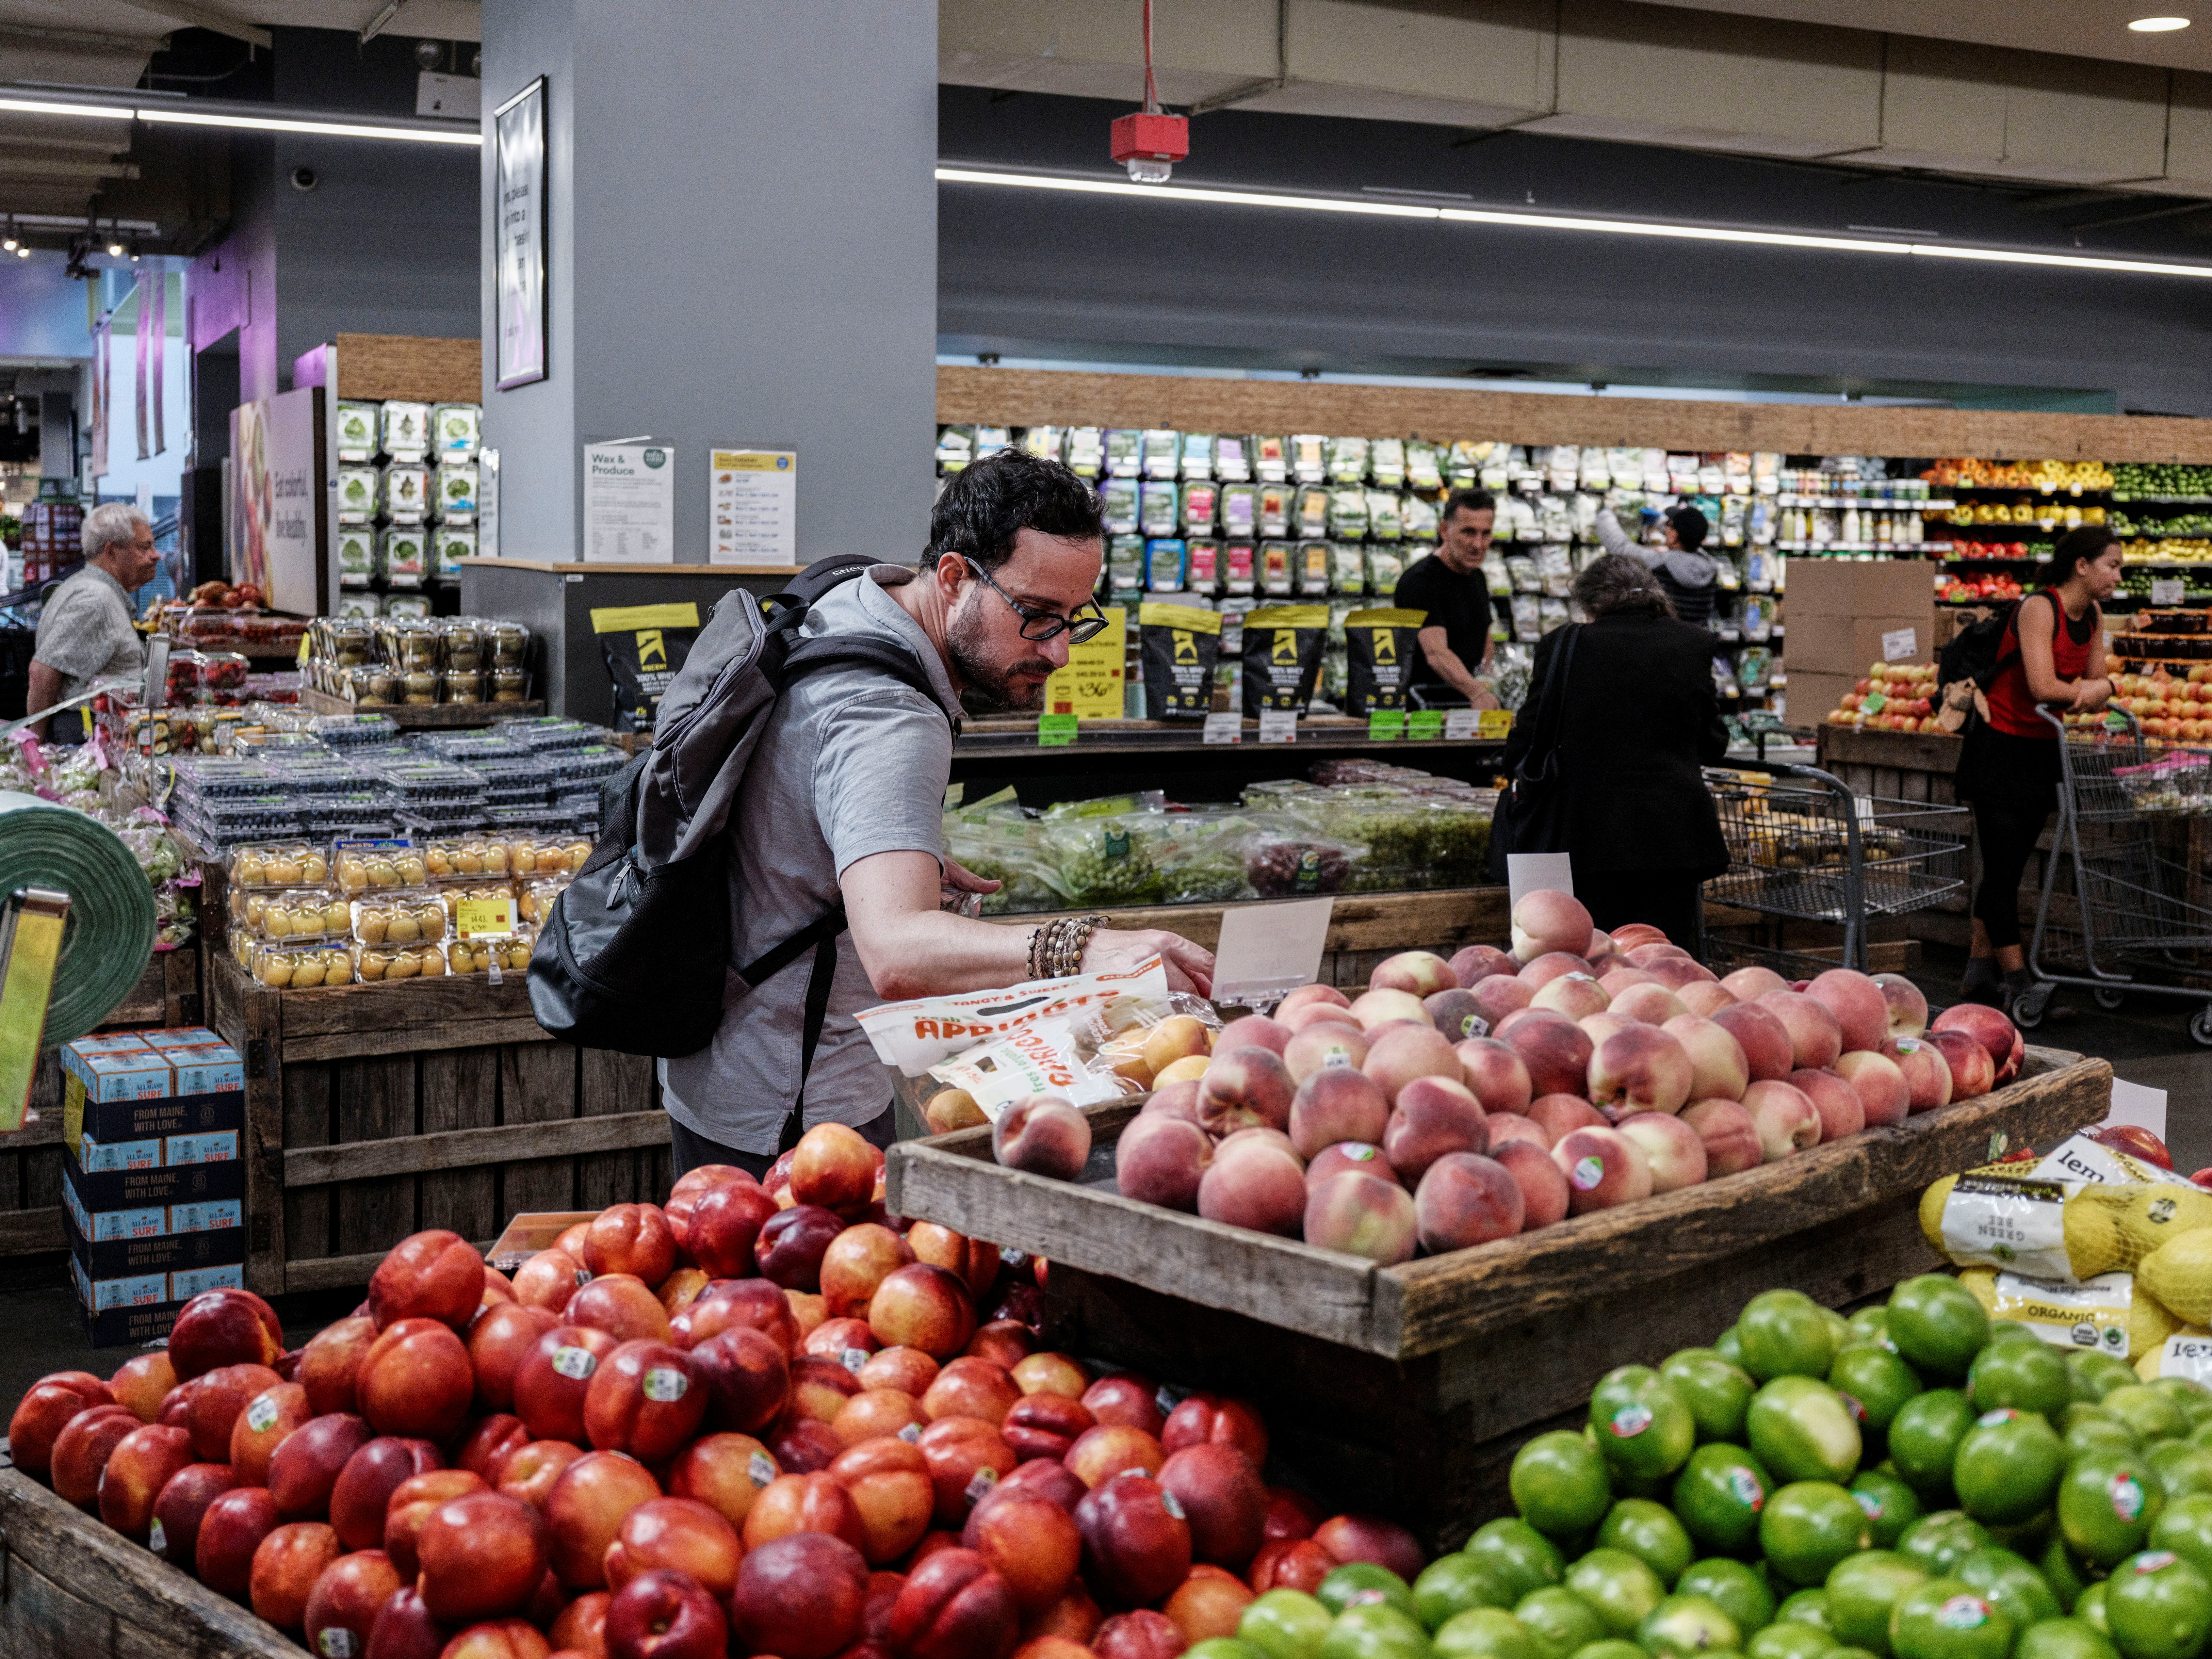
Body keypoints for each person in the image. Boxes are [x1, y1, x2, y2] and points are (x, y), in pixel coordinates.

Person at [661, 450, 1215, 1176]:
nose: (1057, 652)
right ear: (953, 577)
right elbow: (897, 953)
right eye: (1036, 616)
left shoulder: (851, 593)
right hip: (794, 1105)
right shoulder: (889, 713)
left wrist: (882, 853)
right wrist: (1082, 949)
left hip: (728, 1056)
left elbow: (796, 782)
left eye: (1073, 621)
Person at [1499, 553, 1729, 948]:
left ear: (1589, 604)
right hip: (1671, 839)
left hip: (1585, 837)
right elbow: (1712, 745)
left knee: (1591, 955)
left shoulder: (1563, 646)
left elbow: (1527, 739)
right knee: (1664, 958)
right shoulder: (1691, 643)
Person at [1954, 525, 2121, 1008]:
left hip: (2042, 749)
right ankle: (2019, 981)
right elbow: (2044, 686)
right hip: (1999, 748)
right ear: (2082, 565)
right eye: (2112, 564)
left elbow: (2098, 680)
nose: (2117, 574)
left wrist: (2096, 690)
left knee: (2009, 866)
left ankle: (1977, 977)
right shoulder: (2038, 608)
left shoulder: (2091, 614)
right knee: (2004, 871)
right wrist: (2092, 692)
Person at [29, 502, 157, 741]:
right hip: (84, 738)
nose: (156, 555)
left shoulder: (86, 587)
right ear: (111, 552)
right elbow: (42, 671)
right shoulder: (96, 600)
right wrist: (35, 745)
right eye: (144, 547)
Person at [1394, 488, 1501, 709]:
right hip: (1425, 712)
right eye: (1469, 532)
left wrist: (1488, 681)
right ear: (1445, 530)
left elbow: (1485, 637)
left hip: (1467, 706)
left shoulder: (1477, 576)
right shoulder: (1420, 581)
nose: (1478, 544)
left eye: (1486, 534)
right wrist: (1478, 693)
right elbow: (1436, 653)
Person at [1594, 500, 1718, 628]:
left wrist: (1605, 514)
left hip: (1665, 637)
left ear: (1675, 536)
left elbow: (1620, 546)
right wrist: (1657, 520)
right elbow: (1689, 537)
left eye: (1669, 525)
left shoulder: (1661, 563)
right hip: (1697, 637)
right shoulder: (1711, 566)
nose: (1666, 527)